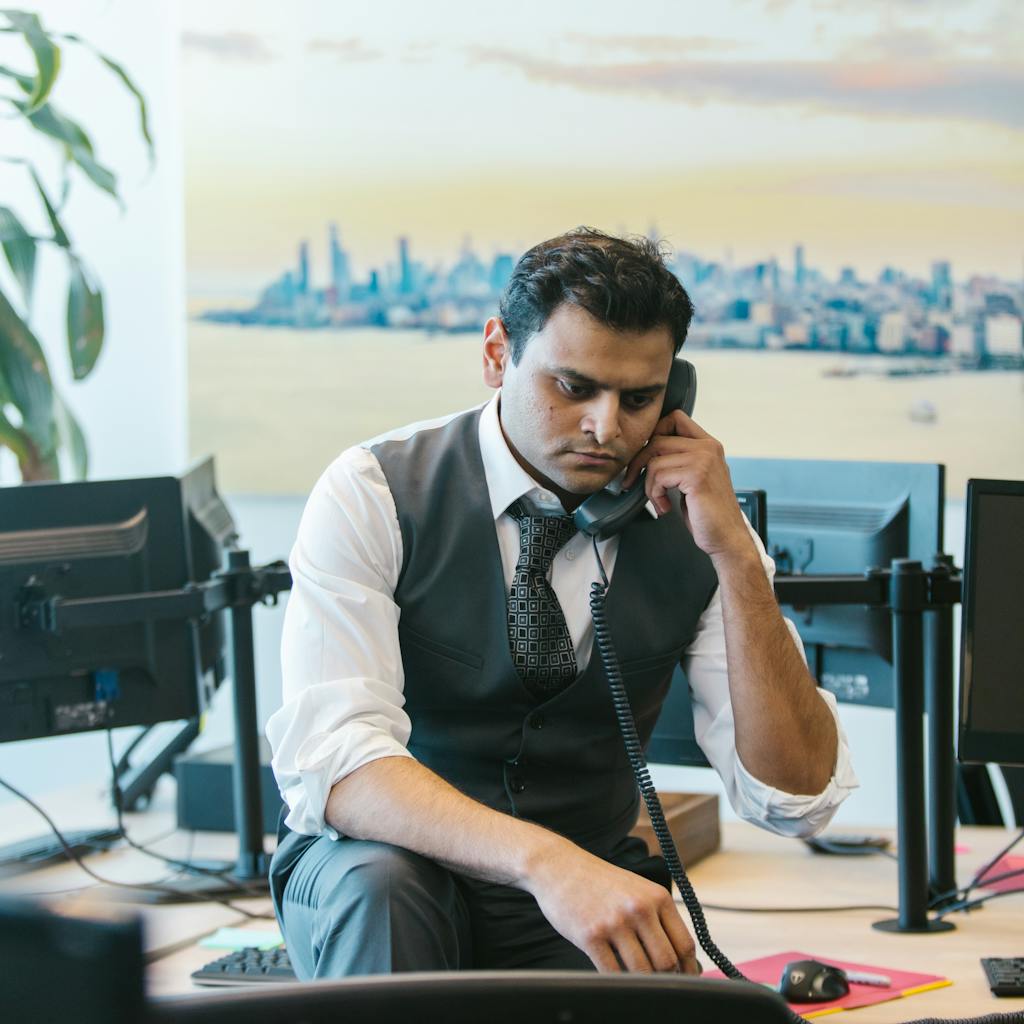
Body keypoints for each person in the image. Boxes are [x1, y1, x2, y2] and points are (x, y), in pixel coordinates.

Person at [266, 227, 858, 980]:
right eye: (574, 387)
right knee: (384, 890)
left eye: (639, 399)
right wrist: (546, 862)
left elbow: (797, 799)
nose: (606, 428)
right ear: (496, 355)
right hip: (384, 875)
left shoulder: (696, 527)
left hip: (581, 893)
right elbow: (336, 760)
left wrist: (739, 560)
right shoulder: (373, 491)